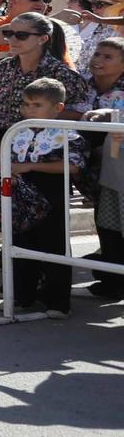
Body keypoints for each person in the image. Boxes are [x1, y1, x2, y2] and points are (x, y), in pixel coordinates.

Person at [6, 79, 79, 316]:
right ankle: (22, 296)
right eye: (26, 104)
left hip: (52, 196)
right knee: (21, 244)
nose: (29, 110)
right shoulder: (18, 131)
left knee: (54, 247)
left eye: (36, 105)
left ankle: (57, 302)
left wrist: (29, 167)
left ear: (57, 108)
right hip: (22, 196)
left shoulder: (67, 133)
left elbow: (74, 165)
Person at [0, 11, 90, 154]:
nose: (12, 40)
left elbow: (79, 112)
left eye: (21, 36)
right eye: (9, 34)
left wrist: (36, 118)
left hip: (45, 148)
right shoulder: (4, 66)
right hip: (4, 140)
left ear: (43, 39)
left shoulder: (62, 74)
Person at [82, 38, 124, 302]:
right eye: (97, 53)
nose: (98, 60)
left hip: (118, 167)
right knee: (105, 223)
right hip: (89, 165)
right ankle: (112, 279)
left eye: (108, 57)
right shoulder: (82, 85)